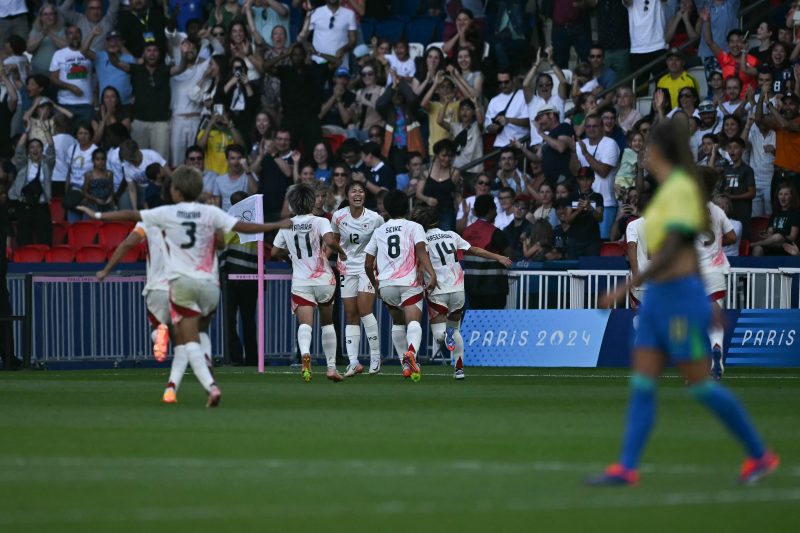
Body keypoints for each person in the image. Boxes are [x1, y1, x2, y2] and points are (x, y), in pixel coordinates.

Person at [588, 120, 779, 486]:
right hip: (660, 300)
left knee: (700, 385)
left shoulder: (679, 191)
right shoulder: (668, 192)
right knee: (642, 383)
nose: (642, 154)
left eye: (646, 148)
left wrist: (629, 284)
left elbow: (677, 248)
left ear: (658, 151)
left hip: (677, 299)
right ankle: (627, 467)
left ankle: (760, 455)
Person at [79, 166, 290, 406]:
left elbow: (129, 215)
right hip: (210, 286)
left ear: (175, 191)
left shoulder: (164, 214)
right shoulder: (210, 212)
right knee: (199, 333)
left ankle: (206, 382)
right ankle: (178, 383)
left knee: (187, 340)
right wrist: (276, 225)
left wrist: (96, 216)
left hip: (179, 285)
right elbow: (241, 227)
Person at [413, 205, 512, 379]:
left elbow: (420, 261)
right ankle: (459, 369)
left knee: (438, 335)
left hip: (438, 290)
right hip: (458, 289)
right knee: (455, 330)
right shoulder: (451, 235)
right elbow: (475, 249)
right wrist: (499, 257)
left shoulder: (422, 241)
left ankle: (447, 335)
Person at [272, 183, 347, 381]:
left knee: (306, 325)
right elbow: (330, 242)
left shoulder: (287, 224)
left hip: (301, 281)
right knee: (327, 323)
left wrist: (293, 253)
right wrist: (342, 252)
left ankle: (306, 354)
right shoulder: (320, 221)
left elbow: (274, 252)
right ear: (311, 201)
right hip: (324, 279)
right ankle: (331, 368)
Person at [364, 190, 437, 381]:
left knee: (398, 322)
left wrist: (376, 286)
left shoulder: (379, 231)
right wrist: (433, 274)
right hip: (409, 283)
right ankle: (411, 353)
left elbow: (367, 264)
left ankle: (405, 365)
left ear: (386, 208)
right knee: (413, 322)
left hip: (387, 285)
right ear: (408, 207)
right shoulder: (414, 227)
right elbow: (421, 252)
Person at [331, 181, 385, 376]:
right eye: (353, 190)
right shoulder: (338, 217)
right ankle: (354, 362)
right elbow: (334, 240)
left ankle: (375, 357)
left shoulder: (375, 218)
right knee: (350, 314)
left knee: (364, 310)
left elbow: (383, 242)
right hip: (346, 268)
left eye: (361, 191)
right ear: (347, 195)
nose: (357, 194)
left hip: (367, 268)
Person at [696, 167, 737, 379]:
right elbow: (733, 237)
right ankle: (717, 350)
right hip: (715, 272)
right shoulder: (717, 210)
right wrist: (719, 242)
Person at [572, 114, 620, 240]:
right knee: (582, 241)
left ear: (602, 127)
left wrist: (585, 153)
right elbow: (574, 171)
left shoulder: (610, 144)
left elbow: (603, 171)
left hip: (605, 203)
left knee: (602, 242)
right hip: (581, 203)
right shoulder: (580, 144)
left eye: (595, 126)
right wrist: (573, 152)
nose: (591, 129)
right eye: (588, 126)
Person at [462, 195, 511, 309]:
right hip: (494, 289)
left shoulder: (466, 232)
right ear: (491, 210)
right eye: (495, 209)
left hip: (471, 288)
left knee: (477, 324)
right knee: (494, 324)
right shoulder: (495, 232)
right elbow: (510, 254)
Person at [9, 132, 55, 246]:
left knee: (45, 238)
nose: (35, 149)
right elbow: (19, 149)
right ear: (28, 150)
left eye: (38, 147)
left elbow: (51, 148)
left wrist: (45, 130)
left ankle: (45, 262)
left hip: (42, 206)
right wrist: (27, 131)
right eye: (32, 147)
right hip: (25, 206)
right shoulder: (24, 164)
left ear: (42, 149)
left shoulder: (47, 165)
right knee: (24, 238)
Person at [49, 25, 94, 124]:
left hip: (86, 103)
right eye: (71, 33)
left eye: (77, 32)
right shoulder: (59, 54)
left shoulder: (90, 53)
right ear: (66, 37)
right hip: (65, 103)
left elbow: (99, 74)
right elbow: (53, 78)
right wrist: (70, 87)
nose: (74, 35)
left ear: (81, 35)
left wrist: (96, 97)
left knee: (86, 136)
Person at [624, 0, 667, 97]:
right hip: (637, 49)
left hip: (658, 46)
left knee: (662, 89)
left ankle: (660, 112)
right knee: (640, 91)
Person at [416, 139, 460, 232]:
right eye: (444, 155)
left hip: (446, 212)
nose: (447, 159)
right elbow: (418, 193)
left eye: (450, 156)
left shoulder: (455, 173)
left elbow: (457, 195)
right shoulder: (426, 170)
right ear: (436, 155)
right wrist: (427, 199)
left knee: (446, 237)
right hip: (426, 212)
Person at [716, 137, 755, 237]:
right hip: (728, 214)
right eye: (729, 148)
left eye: (735, 147)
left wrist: (733, 197)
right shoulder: (726, 169)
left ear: (742, 150)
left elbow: (752, 193)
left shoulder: (747, 170)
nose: (732, 150)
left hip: (742, 212)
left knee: (743, 238)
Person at [118, 138, 169, 210]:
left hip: (158, 187)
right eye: (128, 160)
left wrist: (164, 190)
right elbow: (132, 189)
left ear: (138, 149)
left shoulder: (152, 155)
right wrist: (135, 209)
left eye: (132, 157)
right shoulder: (127, 165)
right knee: (124, 201)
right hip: (140, 189)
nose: (132, 161)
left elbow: (169, 175)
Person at [751, 183, 800, 256]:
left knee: (778, 237)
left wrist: (779, 237)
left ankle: (753, 244)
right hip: (771, 246)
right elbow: (770, 232)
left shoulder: (795, 214)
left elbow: (792, 237)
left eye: (786, 194)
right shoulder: (774, 215)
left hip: (786, 246)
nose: (783, 197)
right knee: (757, 249)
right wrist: (765, 235)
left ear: (791, 196)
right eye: (780, 194)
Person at [565, 167, 604, 258]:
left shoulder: (597, 197)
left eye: (588, 179)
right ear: (578, 180)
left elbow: (600, 218)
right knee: (573, 270)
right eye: (582, 179)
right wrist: (578, 210)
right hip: (574, 240)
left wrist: (590, 208)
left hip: (592, 241)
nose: (585, 182)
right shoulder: (572, 196)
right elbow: (567, 220)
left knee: (591, 269)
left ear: (593, 180)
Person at [484, 71, 528, 149]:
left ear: (513, 80)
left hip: (520, 142)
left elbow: (529, 121)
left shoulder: (524, 96)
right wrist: (493, 127)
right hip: (500, 144)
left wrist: (508, 120)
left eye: (506, 82)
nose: (503, 85)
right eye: (500, 83)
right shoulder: (494, 101)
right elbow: (487, 126)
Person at [211, 145, 258, 211]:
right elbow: (217, 206)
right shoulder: (219, 180)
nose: (236, 162)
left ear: (243, 159)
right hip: (227, 219)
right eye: (232, 158)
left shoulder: (250, 175)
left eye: (239, 158)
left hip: (247, 218)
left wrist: (247, 170)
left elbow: (255, 191)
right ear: (227, 160)